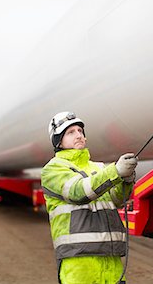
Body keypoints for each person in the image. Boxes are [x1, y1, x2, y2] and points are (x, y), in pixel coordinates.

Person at [41, 111, 138, 284]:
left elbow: (116, 199)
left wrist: (126, 180)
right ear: (58, 142)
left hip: (111, 255)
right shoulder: (52, 170)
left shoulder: (98, 167)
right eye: (70, 132)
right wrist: (115, 171)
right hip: (79, 259)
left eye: (80, 131)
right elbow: (78, 192)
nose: (78, 135)